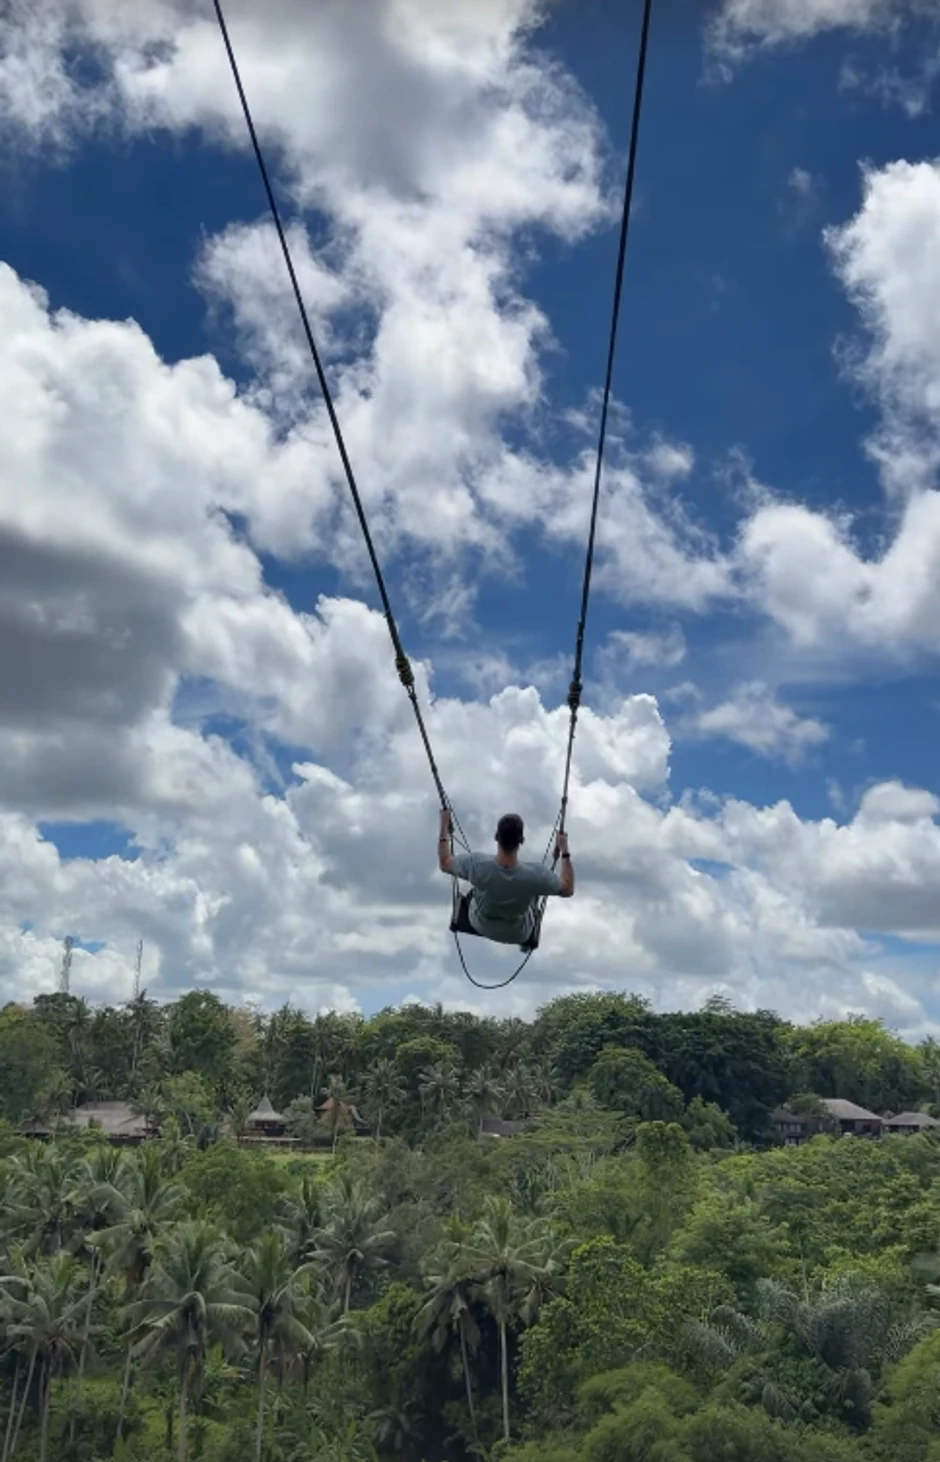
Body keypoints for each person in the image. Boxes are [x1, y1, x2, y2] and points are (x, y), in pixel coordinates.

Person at [438, 809, 574, 949]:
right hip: (518, 933)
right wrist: (565, 849)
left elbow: (445, 863)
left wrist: (443, 825)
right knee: (534, 893)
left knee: (472, 885)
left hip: (482, 925)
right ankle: (525, 944)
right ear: (522, 840)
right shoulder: (535, 874)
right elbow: (568, 889)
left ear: (496, 836)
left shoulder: (478, 864)